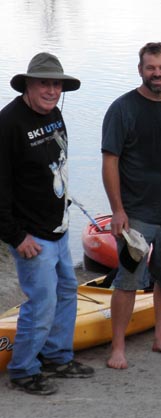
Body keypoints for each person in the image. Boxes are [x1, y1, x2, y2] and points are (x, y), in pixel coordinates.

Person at [101, 42, 161, 369]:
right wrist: (117, 210)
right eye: (150, 68)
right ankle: (118, 347)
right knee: (128, 280)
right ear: (140, 69)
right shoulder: (122, 109)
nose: (156, 74)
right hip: (136, 217)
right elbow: (110, 160)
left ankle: (160, 338)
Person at [0, 52, 94, 395]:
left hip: (58, 226)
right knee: (41, 303)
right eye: (44, 83)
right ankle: (23, 370)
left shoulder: (55, 114)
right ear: (28, 84)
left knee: (67, 291)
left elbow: (57, 162)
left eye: (56, 84)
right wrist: (15, 235)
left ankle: (56, 355)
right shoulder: (8, 123)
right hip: (31, 236)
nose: (52, 90)